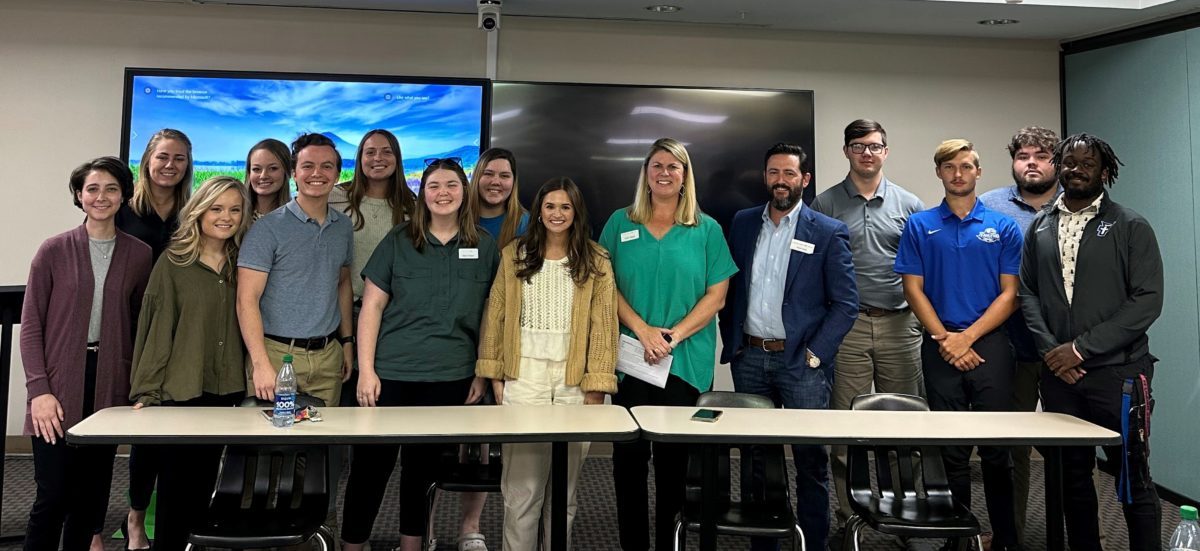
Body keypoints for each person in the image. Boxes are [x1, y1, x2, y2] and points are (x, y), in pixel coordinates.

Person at [341, 158, 499, 551]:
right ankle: (352, 546)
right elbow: (372, 307)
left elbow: (492, 315)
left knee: (421, 472)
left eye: (451, 185)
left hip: (452, 376)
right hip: (391, 374)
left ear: (464, 193)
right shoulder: (399, 240)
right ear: (422, 193)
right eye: (434, 186)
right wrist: (366, 371)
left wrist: (481, 372)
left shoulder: (483, 244)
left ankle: (411, 546)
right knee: (369, 470)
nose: (442, 193)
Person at [1019, 133, 1163, 551]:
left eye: (1087, 163)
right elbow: (1027, 291)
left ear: (1105, 171)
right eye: (1068, 162)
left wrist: (1080, 348)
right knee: (1071, 478)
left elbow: (1147, 301)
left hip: (1117, 373)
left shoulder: (1130, 225)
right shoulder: (1042, 226)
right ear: (1058, 167)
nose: (1076, 169)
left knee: (1130, 476)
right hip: (1060, 376)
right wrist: (1051, 350)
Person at [598, 137, 738, 551]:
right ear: (645, 173)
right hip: (631, 357)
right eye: (656, 165)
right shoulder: (620, 223)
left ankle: (669, 545)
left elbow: (717, 295)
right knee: (628, 462)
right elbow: (604, 286)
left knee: (674, 466)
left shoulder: (706, 228)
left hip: (683, 359)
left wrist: (671, 336)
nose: (663, 173)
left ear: (685, 176)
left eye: (673, 167)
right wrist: (642, 330)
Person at [719, 142, 858, 551]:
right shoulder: (743, 223)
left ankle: (812, 543)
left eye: (790, 174)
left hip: (803, 363)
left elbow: (846, 303)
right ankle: (763, 543)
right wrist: (734, 344)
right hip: (750, 358)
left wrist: (817, 354)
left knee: (810, 460)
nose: (781, 181)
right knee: (755, 460)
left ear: (805, 179)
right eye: (774, 173)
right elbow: (730, 285)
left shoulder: (828, 231)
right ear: (765, 177)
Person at [894, 139, 1023, 551]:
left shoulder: (1003, 227)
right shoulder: (920, 224)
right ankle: (958, 539)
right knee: (951, 453)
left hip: (991, 348)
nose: (958, 174)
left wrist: (966, 338)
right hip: (939, 345)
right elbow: (913, 289)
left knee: (996, 453)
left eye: (966, 166)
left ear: (979, 172)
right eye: (949, 167)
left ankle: (1004, 539)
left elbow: (1011, 294)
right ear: (939, 173)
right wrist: (946, 340)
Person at [477, 177, 618, 551]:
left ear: (576, 213)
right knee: (522, 490)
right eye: (550, 206)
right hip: (524, 378)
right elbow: (495, 316)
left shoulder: (596, 259)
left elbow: (604, 326)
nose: (557, 214)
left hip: (574, 383)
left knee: (564, 492)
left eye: (565, 207)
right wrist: (494, 377)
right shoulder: (514, 254)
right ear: (538, 210)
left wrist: (597, 386)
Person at [21, 157, 152, 551]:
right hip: (57, 385)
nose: (101, 196)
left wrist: (139, 385)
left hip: (109, 384)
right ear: (79, 196)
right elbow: (31, 327)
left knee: (90, 500)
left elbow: (139, 326)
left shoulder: (140, 254)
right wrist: (38, 392)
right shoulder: (53, 250)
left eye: (111, 189)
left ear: (124, 195)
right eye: (92, 189)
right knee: (53, 496)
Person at [810, 120, 925, 525]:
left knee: (903, 429)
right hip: (848, 327)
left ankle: (906, 516)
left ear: (886, 152)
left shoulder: (910, 205)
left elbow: (921, 271)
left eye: (875, 146)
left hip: (899, 325)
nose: (867, 153)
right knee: (845, 429)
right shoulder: (823, 205)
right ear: (846, 151)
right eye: (858, 146)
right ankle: (849, 517)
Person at [128, 176, 251, 551]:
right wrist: (146, 392)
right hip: (180, 390)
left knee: (204, 487)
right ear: (199, 211)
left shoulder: (244, 262)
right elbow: (156, 330)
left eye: (234, 209)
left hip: (225, 388)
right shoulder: (174, 261)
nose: (225, 217)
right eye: (216, 208)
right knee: (174, 490)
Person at [978, 126, 1060, 540]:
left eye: (1042, 156)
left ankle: (1081, 532)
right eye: (1024, 155)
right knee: (1013, 447)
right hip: (1012, 345)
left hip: (1067, 348)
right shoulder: (990, 205)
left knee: (1070, 446)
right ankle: (1009, 534)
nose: (1032, 162)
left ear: (1056, 162)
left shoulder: (1076, 203)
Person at [237, 132, 354, 408]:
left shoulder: (343, 227)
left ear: (337, 174)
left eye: (327, 166)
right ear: (294, 173)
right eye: (308, 166)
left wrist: (347, 343)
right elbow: (246, 300)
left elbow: (343, 284)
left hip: (328, 358)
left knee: (323, 446)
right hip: (276, 355)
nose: (318, 173)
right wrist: (260, 364)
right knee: (270, 445)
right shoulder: (267, 228)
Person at [116, 128, 193, 550]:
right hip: (131, 332)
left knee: (175, 435)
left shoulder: (192, 212)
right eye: (163, 157)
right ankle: (135, 515)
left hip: (180, 334)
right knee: (145, 431)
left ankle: (176, 521)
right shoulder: (123, 211)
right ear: (147, 159)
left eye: (179, 158)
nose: (170, 165)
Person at [471, 147, 529, 247]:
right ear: (477, 177)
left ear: (513, 182)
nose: (495, 182)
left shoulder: (525, 223)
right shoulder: (457, 218)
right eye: (488, 174)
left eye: (504, 176)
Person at [245, 138, 292, 222]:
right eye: (256, 169)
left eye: (273, 168)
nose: (263, 176)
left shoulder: (298, 218)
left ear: (287, 171)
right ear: (249, 173)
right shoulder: (235, 215)